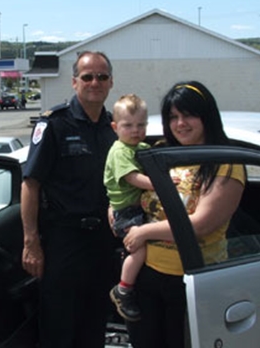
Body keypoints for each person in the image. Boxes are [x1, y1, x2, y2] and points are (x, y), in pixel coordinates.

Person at [123, 81, 246, 348]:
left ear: (207, 116)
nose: (181, 124)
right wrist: (115, 209)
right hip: (147, 275)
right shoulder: (162, 152)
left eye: (189, 115)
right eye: (173, 117)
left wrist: (143, 231)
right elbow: (127, 186)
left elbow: (201, 224)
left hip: (192, 282)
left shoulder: (225, 162)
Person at [21, 51, 120, 348]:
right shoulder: (54, 124)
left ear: (111, 82)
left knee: (94, 323)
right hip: (64, 241)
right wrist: (31, 242)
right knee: (59, 326)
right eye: (87, 77)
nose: (95, 82)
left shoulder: (114, 128)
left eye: (102, 77)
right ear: (74, 81)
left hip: (102, 241)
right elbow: (30, 184)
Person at [103, 94, 154, 322]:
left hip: (135, 209)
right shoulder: (120, 151)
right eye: (128, 125)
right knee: (139, 250)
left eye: (141, 125)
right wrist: (159, 185)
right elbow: (133, 178)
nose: (135, 130)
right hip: (126, 212)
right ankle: (123, 290)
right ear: (115, 127)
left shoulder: (139, 146)